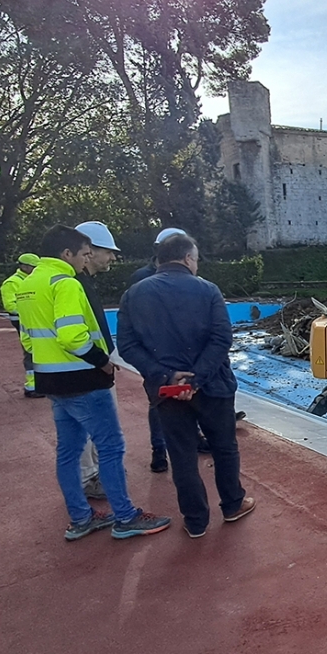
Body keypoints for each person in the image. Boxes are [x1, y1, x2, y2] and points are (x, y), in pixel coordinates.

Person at [15, 224, 172, 541]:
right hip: (84, 379)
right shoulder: (66, 283)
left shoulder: (28, 284)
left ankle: (80, 517)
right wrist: (102, 362)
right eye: (85, 254)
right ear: (67, 253)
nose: (86, 261)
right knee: (111, 447)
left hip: (51, 380)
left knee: (68, 452)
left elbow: (29, 339)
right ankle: (126, 517)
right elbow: (72, 336)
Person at [117, 232, 255, 538]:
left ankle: (195, 521)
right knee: (224, 447)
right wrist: (198, 377)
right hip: (213, 386)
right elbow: (222, 338)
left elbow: (126, 346)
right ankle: (232, 505)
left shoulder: (134, 294)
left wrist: (166, 376)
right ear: (188, 258)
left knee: (181, 455)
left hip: (166, 392)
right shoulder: (207, 290)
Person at [128, 227, 187, 471]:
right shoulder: (141, 279)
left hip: (181, 353)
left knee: (188, 396)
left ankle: (190, 441)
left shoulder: (186, 279)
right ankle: (159, 450)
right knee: (158, 403)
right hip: (155, 356)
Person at [73, 220, 123, 501]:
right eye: (108, 251)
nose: (112, 258)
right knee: (86, 426)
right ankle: (88, 477)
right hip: (87, 368)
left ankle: (95, 472)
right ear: (90, 250)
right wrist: (100, 360)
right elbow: (74, 334)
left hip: (93, 366)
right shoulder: (73, 285)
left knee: (96, 425)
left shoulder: (83, 283)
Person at [0, 253, 44, 398]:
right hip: (23, 321)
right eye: (33, 267)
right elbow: (10, 305)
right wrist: (29, 311)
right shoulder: (12, 282)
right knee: (30, 351)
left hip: (32, 320)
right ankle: (31, 387)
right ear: (24, 266)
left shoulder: (30, 280)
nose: (35, 270)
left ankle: (39, 383)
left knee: (38, 350)